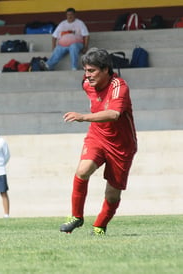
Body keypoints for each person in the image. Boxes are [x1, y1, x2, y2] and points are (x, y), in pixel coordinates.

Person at [60, 48, 137, 235]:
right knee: (83, 170)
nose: (87, 75)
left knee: (112, 194)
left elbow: (113, 114)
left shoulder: (119, 86)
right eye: (85, 70)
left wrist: (84, 117)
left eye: (92, 70)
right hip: (98, 136)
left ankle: (99, 226)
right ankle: (76, 217)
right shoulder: (87, 84)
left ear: (105, 69)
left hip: (122, 146)